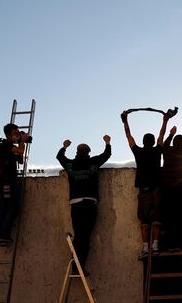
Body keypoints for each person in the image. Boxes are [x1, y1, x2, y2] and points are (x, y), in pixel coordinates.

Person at [56, 135, 112, 273]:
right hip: (89, 204)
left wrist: (64, 147)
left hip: (76, 204)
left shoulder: (70, 165)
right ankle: (78, 266)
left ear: (77, 152)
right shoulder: (94, 162)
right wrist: (107, 142)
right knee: (85, 237)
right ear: (88, 152)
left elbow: (59, 157)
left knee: (79, 235)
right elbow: (107, 154)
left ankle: (75, 265)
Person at [121, 110, 170, 259]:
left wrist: (125, 121)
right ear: (153, 141)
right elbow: (162, 134)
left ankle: (145, 248)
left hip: (144, 191)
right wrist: (165, 121)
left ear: (143, 142)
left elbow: (129, 136)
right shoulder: (157, 150)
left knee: (144, 221)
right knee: (156, 219)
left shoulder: (138, 152)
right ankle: (155, 246)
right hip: (156, 190)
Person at [0, 123, 31, 245]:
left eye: (18, 133)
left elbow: (20, 159)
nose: (17, 135)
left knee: (4, 208)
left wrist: (21, 145)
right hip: (7, 180)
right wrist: (23, 141)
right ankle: (3, 235)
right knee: (12, 207)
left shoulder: (8, 147)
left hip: (5, 180)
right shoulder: (6, 145)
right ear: (9, 135)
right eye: (15, 133)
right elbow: (19, 150)